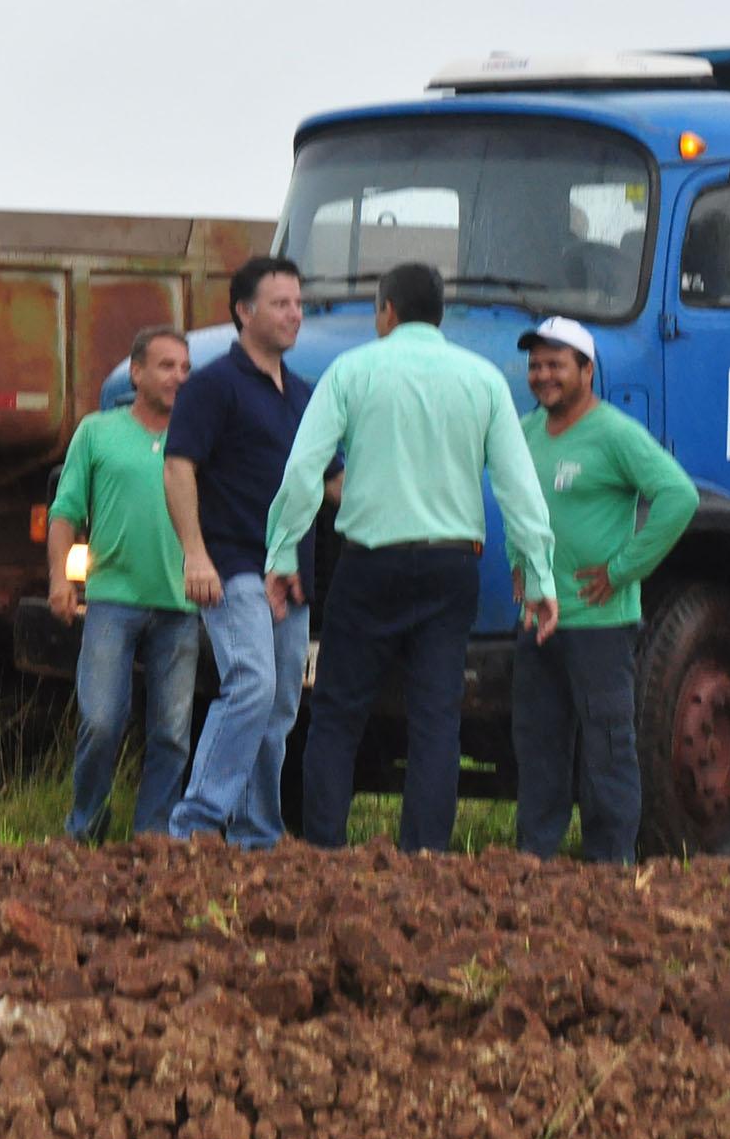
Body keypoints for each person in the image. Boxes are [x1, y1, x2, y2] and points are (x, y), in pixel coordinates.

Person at [263, 262, 558, 853]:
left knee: (339, 714)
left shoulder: (352, 370)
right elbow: (520, 489)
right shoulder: (482, 380)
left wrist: (281, 553)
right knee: (435, 720)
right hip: (451, 569)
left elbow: (303, 471)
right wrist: (540, 575)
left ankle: (323, 849)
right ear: (439, 315)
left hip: (370, 565)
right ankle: (424, 858)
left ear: (387, 311)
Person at [510, 317, 698, 864]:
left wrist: (622, 569)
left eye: (556, 365)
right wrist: (517, 565)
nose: (543, 376)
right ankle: (535, 858)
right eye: (536, 365)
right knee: (539, 745)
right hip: (537, 620)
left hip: (599, 624)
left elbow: (677, 496)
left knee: (607, 747)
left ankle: (608, 865)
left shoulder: (615, 433)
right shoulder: (523, 433)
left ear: (586, 371)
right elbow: (519, 508)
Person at [165, 255, 328, 847]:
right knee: (251, 684)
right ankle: (195, 825)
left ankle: (257, 832)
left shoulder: (306, 395)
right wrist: (194, 554)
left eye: (298, 303)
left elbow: (330, 481)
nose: (295, 315)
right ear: (244, 311)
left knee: (280, 708)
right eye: (281, 303)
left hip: (293, 573)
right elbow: (178, 465)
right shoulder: (211, 387)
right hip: (232, 564)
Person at [47, 328, 199, 841]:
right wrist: (60, 580)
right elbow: (65, 513)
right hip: (112, 600)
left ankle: (153, 836)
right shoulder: (96, 432)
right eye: (165, 366)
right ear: (136, 373)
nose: (178, 376)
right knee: (102, 720)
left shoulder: (199, 438)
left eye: (184, 367)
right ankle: (85, 825)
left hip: (181, 606)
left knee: (173, 733)